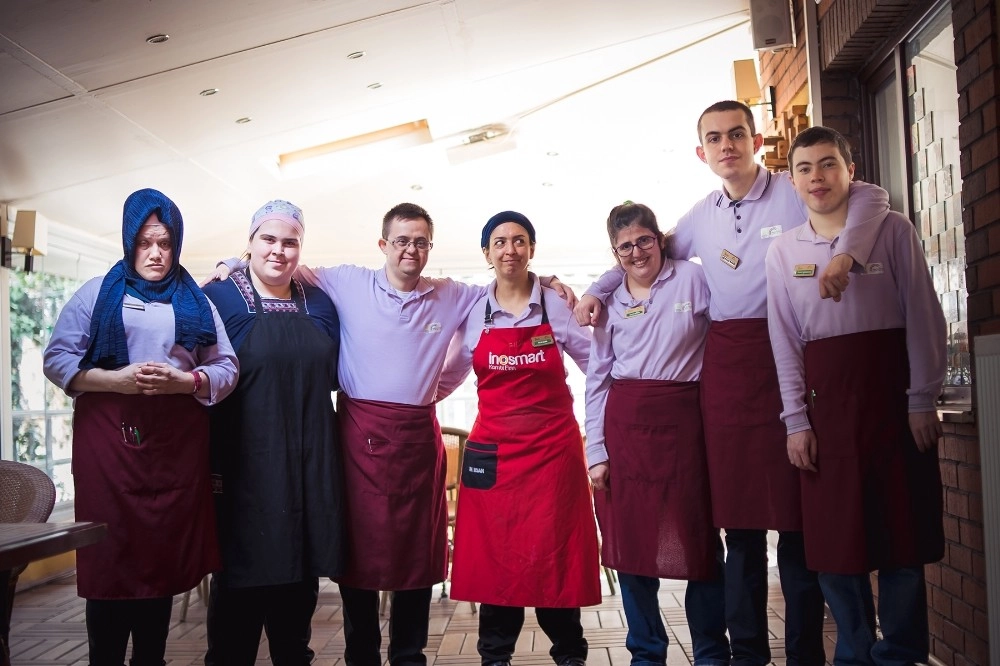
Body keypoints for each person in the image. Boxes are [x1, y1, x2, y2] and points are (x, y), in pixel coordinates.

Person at [575, 101, 889, 666]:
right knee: (739, 529)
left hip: (791, 356)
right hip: (726, 375)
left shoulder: (795, 189)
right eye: (715, 138)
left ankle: (804, 653)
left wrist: (845, 255)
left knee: (799, 524)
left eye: (737, 134)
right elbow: (648, 252)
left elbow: (872, 197)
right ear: (702, 152)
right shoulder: (702, 213)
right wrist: (598, 288)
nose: (728, 146)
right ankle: (745, 654)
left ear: (757, 138)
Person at [208, 203, 575, 666]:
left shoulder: (454, 294)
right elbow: (280, 260)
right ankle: (362, 655)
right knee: (356, 556)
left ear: (429, 249)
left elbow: (507, 284)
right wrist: (232, 264)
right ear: (384, 245)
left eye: (421, 241)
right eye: (402, 240)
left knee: (417, 560)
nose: (411, 249)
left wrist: (550, 283)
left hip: (419, 439)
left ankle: (409, 656)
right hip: (358, 436)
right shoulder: (345, 282)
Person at [765, 126, 945, 665]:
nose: (816, 177)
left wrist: (921, 399)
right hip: (826, 415)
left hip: (893, 406)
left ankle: (901, 654)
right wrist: (795, 421)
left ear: (850, 170)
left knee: (902, 542)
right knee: (835, 550)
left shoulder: (892, 230)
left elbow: (924, 316)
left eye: (827, 165)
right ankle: (855, 653)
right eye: (804, 168)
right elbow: (785, 340)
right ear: (793, 181)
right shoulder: (783, 251)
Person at [42, 188, 238, 666]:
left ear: (176, 245)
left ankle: (151, 657)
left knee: (160, 559)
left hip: (174, 448)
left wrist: (185, 380)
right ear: (130, 241)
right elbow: (57, 359)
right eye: (145, 242)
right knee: (109, 555)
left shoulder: (196, 300)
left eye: (166, 243)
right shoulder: (96, 292)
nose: (155, 253)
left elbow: (227, 368)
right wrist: (116, 381)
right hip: (108, 444)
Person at [437, 211, 600, 666]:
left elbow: (598, 368)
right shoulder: (470, 309)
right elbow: (446, 376)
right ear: (487, 253)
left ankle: (570, 655)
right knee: (495, 559)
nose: (510, 249)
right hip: (492, 456)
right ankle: (495, 657)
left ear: (532, 248)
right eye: (500, 242)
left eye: (520, 240)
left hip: (554, 454)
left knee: (555, 555)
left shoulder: (556, 305)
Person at [584, 202, 728, 666]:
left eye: (644, 240)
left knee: (701, 541)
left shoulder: (693, 277)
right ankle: (647, 653)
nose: (636, 252)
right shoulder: (608, 302)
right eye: (625, 246)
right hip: (624, 431)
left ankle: (710, 651)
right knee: (630, 547)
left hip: (688, 426)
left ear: (659, 239)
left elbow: (726, 338)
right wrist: (596, 451)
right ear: (615, 253)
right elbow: (597, 379)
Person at [201, 200, 344, 665]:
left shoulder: (319, 301)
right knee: (236, 611)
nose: (279, 250)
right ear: (249, 243)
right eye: (268, 238)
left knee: (295, 601)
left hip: (306, 465)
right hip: (243, 467)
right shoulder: (217, 297)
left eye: (290, 242)